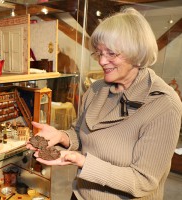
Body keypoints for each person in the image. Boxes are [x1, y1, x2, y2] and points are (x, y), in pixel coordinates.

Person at [27, 8, 182, 200]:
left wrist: (84, 162)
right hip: (81, 194)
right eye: (99, 52)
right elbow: (80, 133)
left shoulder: (163, 104)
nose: (101, 61)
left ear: (137, 53)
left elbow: (144, 182)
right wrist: (60, 136)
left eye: (111, 53)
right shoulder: (96, 89)